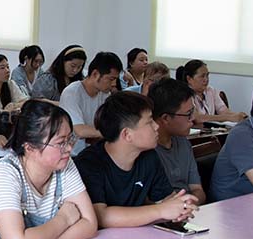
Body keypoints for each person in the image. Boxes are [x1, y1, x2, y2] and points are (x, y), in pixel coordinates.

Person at [0, 100, 97, 239]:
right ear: (29, 147)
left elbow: (90, 225)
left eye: (70, 139)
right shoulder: (5, 173)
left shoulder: (64, 163)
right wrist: (64, 219)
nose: (69, 148)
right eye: (60, 143)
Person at [75, 92, 199, 227]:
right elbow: (101, 216)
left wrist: (180, 207)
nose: (156, 126)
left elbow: (167, 199)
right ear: (127, 134)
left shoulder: (149, 156)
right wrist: (160, 210)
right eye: (149, 122)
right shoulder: (89, 163)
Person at [150, 78, 207, 204]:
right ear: (165, 118)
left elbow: (198, 190)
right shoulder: (147, 151)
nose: (193, 119)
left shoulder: (183, 143)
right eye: (188, 114)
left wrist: (187, 205)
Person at [58, 51, 122, 154]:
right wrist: (112, 133)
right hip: (71, 155)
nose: (114, 84)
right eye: (111, 79)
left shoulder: (105, 94)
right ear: (95, 74)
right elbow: (80, 130)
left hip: (92, 151)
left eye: (115, 79)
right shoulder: (72, 93)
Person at [176, 60, 247, 124]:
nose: (206, 79)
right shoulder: (184, 95)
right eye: (202, 76)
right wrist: (228, 117)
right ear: (189, 79)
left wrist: (238, 116)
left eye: (207, 75)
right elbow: (197, 118)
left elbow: (223, 110)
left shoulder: (211, 91)